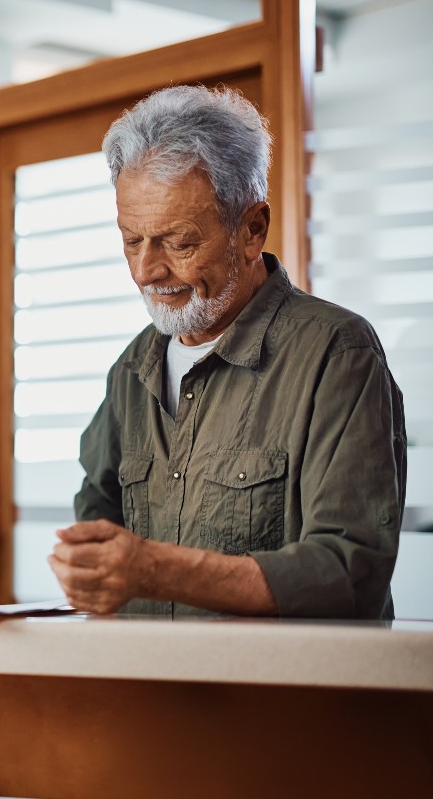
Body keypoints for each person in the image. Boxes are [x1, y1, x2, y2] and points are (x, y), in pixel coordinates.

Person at [49, 85, 407, 619]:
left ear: (251, 229)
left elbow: (348, 574)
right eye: (131, 240)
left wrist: (157, 570)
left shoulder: (336, 354)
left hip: (275, 700)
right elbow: (98, 525)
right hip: (149, 696)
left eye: (178, 241)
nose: (147, 271)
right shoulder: (131, 369)